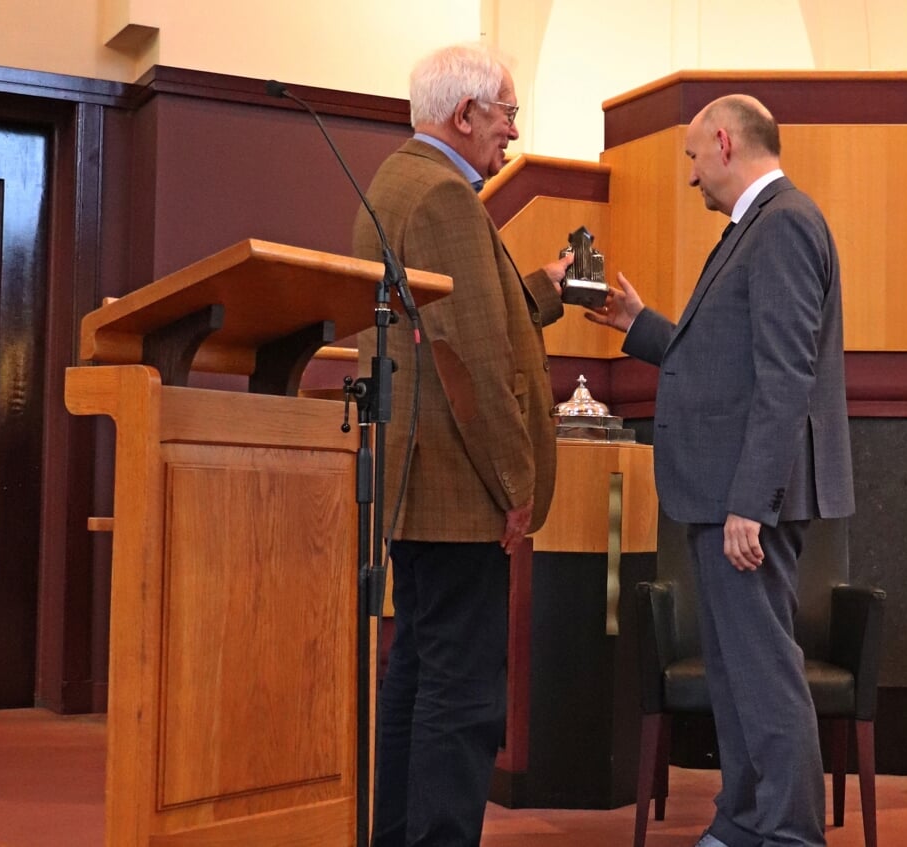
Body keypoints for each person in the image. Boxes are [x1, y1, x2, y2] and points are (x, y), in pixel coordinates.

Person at [586, 94, 855, 847]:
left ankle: (788, 833)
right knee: (737, 678)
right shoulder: (758, 229)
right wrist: (639, 325)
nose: (690, 176)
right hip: (724, 493)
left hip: (745, 499)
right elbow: (724, 361)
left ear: (723, 141)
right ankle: (742, 820)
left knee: (763, 676)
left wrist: (751, 502)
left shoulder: (785, 224)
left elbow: (784, 377)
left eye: (692, 157)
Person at [353, 43, 573, 847]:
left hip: (420, 481)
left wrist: (542, 288)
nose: (513, 130)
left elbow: (475, 315)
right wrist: (516, 483)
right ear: (465, 114)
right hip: (457, 487)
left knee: (418, 672)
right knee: (460, 693)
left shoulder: (402, 179)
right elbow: (472, 358)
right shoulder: (444, 195)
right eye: (508, 112)